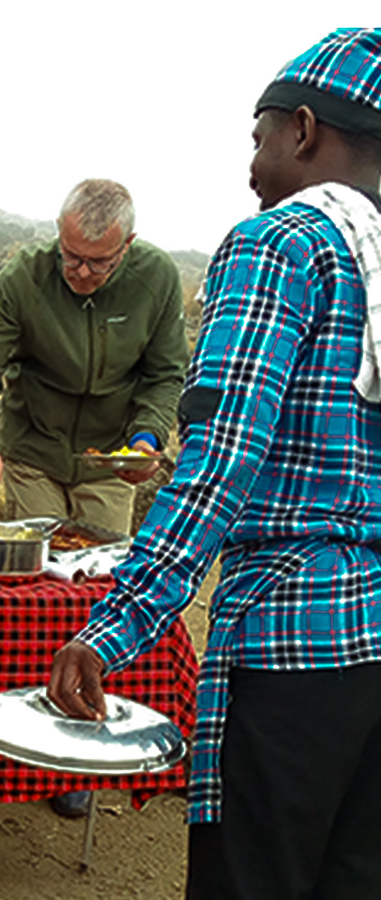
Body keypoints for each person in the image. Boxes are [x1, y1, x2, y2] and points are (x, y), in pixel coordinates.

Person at [49, 28, 381, 900]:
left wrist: (113, 626)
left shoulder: (283, 245)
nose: (253, 162)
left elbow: (221, 463)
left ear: (304, 130)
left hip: (293, 648)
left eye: (259, 136)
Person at [0, 179, 188, 818]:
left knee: (100, 597)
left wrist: (146, 439)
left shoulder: (157, 278)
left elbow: (166, 373)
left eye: (98, 262)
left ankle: (78, 748)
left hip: (111, 462)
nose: (80, 271)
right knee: (37, 588)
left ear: (128, 248)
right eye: (70, 256)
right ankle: (18, 727)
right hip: (33, 448)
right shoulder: (24, 277)